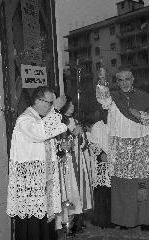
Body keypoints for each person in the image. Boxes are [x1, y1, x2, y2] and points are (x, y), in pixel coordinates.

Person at [96, 66, 149, 231]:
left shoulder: (144, 97)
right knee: (123, 185)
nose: (124, 83)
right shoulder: (112, 98)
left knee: (142, 183)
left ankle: (144, 219)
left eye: (127, 79)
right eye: (120, 80)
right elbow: (102, 97)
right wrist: (101, 80)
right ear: (117, 82)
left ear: (133, 79)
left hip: (141, 145)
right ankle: (125, 219)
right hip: (120, 146)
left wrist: (139, 115)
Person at [6, 86, 68, 240]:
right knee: (31, 227)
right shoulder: (25, 119)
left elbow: (44, 145)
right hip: (31, 185)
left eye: (53, 104)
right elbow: (39, 134)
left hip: (43, 183)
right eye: (49, 103)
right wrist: (57, 111)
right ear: (37, 101)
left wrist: (59, 149)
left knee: (45, 226)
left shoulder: (39, 119)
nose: (51, 107)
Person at [55, 96, 85, 235]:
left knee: (75, 191)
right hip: (65, 163)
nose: (72, 106)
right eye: (69, 104)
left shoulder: (75, 121)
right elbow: (63, 144)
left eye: (73, 104)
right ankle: (66, 224)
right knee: (68, 191)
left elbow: (81, 143)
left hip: (75, 161)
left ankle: (75, 223)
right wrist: (73, 134)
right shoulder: (60, 122)